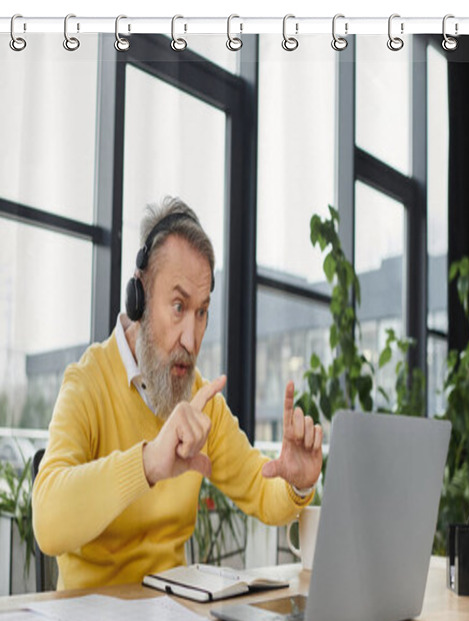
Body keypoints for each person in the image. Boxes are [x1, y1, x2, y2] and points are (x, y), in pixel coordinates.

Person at [32, 197, 322, 590]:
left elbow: (261, 488)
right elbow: (47, 523)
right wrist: (149, 463)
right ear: (140, 297)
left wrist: (297, 482)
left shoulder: (201, 400)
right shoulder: (87, 382)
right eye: (178, 306)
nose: (192, 337)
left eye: (201, 311)